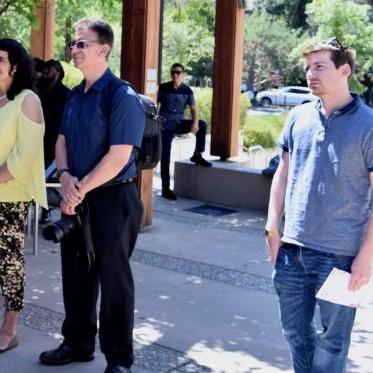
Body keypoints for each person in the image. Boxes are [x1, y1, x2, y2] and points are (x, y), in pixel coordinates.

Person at [39, 17, 144, 373]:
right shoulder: (74, 95)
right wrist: (65, 176)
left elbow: (120, 156)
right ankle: (78, 342)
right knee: (76, 273)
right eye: (73, 43)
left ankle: (119, 359)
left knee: (114, 279)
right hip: (77, 194)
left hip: (114, 199)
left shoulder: (122, 96)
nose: (74, 49)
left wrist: (77, 189)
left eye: (82, 43)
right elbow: (62, 140)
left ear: (104, 49)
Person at [266, 38, 373, 373]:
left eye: (320, 66)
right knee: (295, 333)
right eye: (308, 67)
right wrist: (272, 228)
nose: (311, 74)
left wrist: (366, 258)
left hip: (342, 257)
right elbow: (282, 174)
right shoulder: (298, 116)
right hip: (292, 251)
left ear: (345, 70)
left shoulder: (369, 125)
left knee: (332, 342)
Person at [0, 39, 47, 352]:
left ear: (15, 66)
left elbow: (24, 157)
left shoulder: (28, 100)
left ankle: (9, 329)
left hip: (11, 197)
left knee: (9, 265)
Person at [157, 63, 212, 200]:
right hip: (166, 124)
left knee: (202, 124)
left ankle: (197, 155)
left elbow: (193, 109)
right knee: (165, 156)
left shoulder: (187, 90)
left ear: (183, 75)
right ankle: (165, 188)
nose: (175, 75)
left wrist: (194, 123)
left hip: (180, 122)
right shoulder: (163, 88)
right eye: (173, 72)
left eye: (178, 72)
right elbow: (155, 106)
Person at [38, 59, 70, 224]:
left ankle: (46, 209)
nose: (45, 73)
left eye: (49, 70)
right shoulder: (38, 89)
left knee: (48, 178)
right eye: (45, 70)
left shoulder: (65, 93)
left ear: (58, 73)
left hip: (55, 141)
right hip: (38, 140)